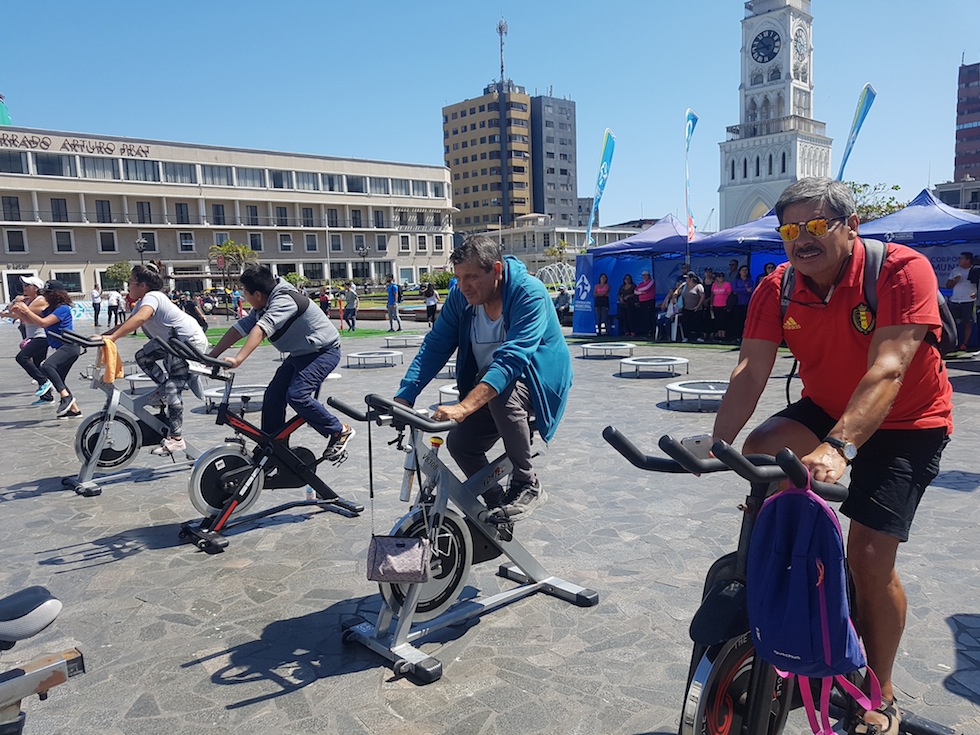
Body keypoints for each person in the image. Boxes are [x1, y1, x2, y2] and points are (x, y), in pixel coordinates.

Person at [711, 178, 952, 735]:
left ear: (852, 227)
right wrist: (717, 439)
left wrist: (840, 447)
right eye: (790, 229)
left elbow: (890, 366)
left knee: (870, 555)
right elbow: (750, 369)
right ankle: (795, 563)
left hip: (908, 419)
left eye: (816, 225)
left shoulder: (900, 270)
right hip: (828, 401)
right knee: (761, 449)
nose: (802, 239)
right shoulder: (779, 287)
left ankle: (881, 692)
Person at [394, 235, 571, 521]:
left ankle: (527, 483)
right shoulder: (460, 298)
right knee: (460, 445)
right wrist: (405, 395)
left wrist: (464, 407)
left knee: (503, 392)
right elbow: (436, 344)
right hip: (491, 384)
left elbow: (511, 360)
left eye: (472, 277)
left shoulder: (530, 293)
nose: (463, 287)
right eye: (459, 278)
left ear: (497, 270)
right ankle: (496, 502)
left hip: (538, 381)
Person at [209, 266, 354, 461]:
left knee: (297, 395)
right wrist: (211, 355)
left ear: (258, 294)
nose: (244, 298)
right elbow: (241, 327)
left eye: (245, 294)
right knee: (273, 396)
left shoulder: (283, 301)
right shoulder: (264, 303)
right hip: (301, 353)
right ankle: (274, 445)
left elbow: (261, 329)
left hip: (324, 352)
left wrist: (238, 359)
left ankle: (339, 430)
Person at [101, 263, 209, 456]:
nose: (128, 286)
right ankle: (164, 389)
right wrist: (101, 336)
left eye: (131, 282)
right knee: (142, 357)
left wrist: (112, 337)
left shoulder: (153, 297)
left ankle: (177, 439)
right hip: (171, 343)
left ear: (142, 285)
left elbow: (140, 319)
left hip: (187, 342)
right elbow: (127, 324)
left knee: (173, 387)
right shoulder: (143, 301)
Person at [10, 280, 82, 418]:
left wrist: (26, 310)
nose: (46, 297)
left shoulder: (63, 309)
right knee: (59, 380)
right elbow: (33, 320)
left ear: (57, 295)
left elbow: (43, 323)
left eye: (48, 294)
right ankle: (74, 410)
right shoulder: (50, 310)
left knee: (47, 366)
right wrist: (21, 313)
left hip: (69, 346)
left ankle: (66, 398)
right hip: (62, 347)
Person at [3, 277, 51, 403]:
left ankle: (44, 381)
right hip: (33, 336)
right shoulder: (30, 300)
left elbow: (18, 311)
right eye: (23, 285)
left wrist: (16, 305)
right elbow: (16, 312)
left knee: (22, 357)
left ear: (35, 288)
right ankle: (47, 397)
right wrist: (9, 311)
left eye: (27, 285)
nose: (24, 287)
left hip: (41, 336)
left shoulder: (40, 301)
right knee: (38, 365)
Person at [945, 251, 975, 351]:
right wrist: (955, 281)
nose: (960, 260)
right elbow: (948, 285)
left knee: (967, 323)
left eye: (962, 258)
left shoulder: (975, 270)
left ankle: (964, 344)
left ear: (968, 260)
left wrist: (977, 294)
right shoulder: (955, 270)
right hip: (955, 300)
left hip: (968, 300)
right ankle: (953, 343)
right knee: (952, 323)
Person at [679, 273, 705, 342]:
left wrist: (698, 306)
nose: (686, 279)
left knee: (697, 323)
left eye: (687, 278)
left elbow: (702, 296)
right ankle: (686, 337)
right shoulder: (684, 285)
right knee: (686, 323)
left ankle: (699, 336)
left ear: (691, 279)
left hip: (696, 309)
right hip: (686, 308)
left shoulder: (698, 286)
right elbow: (677, 291)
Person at [731, 264, 754, 341]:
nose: (745, 272)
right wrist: (745, 290)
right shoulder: (736, 281)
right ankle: (737, 336)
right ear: (740, 272)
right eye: (743, 270)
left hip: (747, 303)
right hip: (738, 303)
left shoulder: (750, 280)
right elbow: (734, 290)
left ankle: (745, 336)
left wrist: (741, 290)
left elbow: (750, 290)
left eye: (746, 270)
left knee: (746, 320)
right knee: (738, 320)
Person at [710, 271, 733, 342]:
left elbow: (730, 295)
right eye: (719, 276)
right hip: (715, 305)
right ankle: (718, 335)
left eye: (722, 276)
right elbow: (712, 295)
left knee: (723, 320)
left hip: (724, 305)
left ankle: (723, 335)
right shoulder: (714, 285)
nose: (721, 278)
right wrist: (711, 304)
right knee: (717, 320)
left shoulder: (727, 284)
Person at [635, 269, 657, 338]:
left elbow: (647, 288)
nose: (644, 277)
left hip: (649, 301)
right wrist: (641, 292)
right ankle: (645, 331)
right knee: (644, 317)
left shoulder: (651, 281)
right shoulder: (641, 284)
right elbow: (635, 291)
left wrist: (640, 290)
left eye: (645, 275)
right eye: (643, 275)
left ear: (648, 275)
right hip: (642, 302)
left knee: (649, 316)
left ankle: (651, 331)